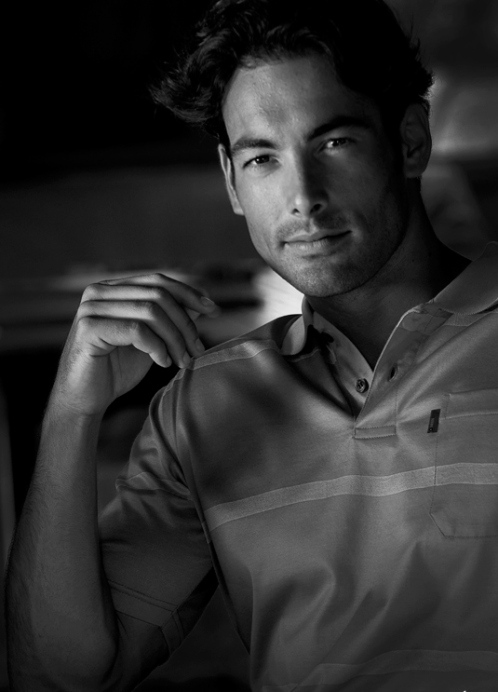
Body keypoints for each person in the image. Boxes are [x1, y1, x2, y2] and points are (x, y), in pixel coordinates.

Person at [6, 0, 498, 690]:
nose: (303, 197)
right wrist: (70, 413)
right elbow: (56, 678)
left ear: (410, 140)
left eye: (334, 142)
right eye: (262, 157)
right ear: (232, 181)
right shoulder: (200, 409)